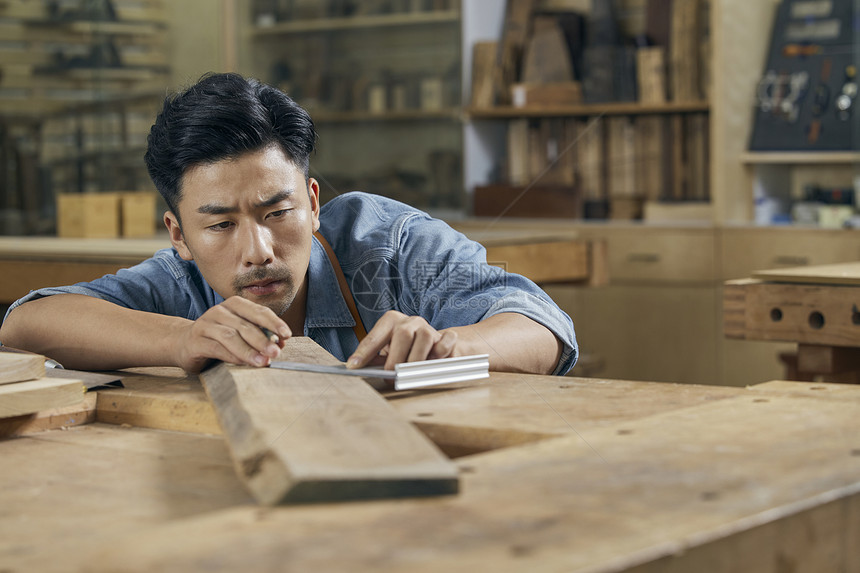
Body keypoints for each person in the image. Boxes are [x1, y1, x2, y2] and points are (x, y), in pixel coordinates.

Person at [0, 73, 577, 375]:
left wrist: (448, 347)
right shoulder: (177, 287)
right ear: (179, 236)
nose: (258, 251)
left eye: (278, 212)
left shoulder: (390, 243)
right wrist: (182, 339)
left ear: (314, 200)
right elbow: (25, 324)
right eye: (220, 225)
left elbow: (545, 331)